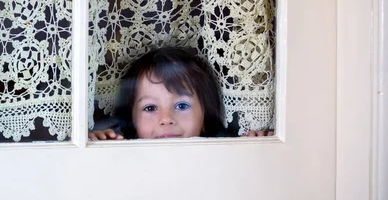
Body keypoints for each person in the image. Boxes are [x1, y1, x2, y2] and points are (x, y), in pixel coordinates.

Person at [88, 46, 274, 140]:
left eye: (182, 105)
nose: (166, 118)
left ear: (205, 119)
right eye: (150, 107)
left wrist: (255, 153)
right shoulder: (124, 160)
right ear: (133, 122)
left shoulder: (220, 158)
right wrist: (96, 147)